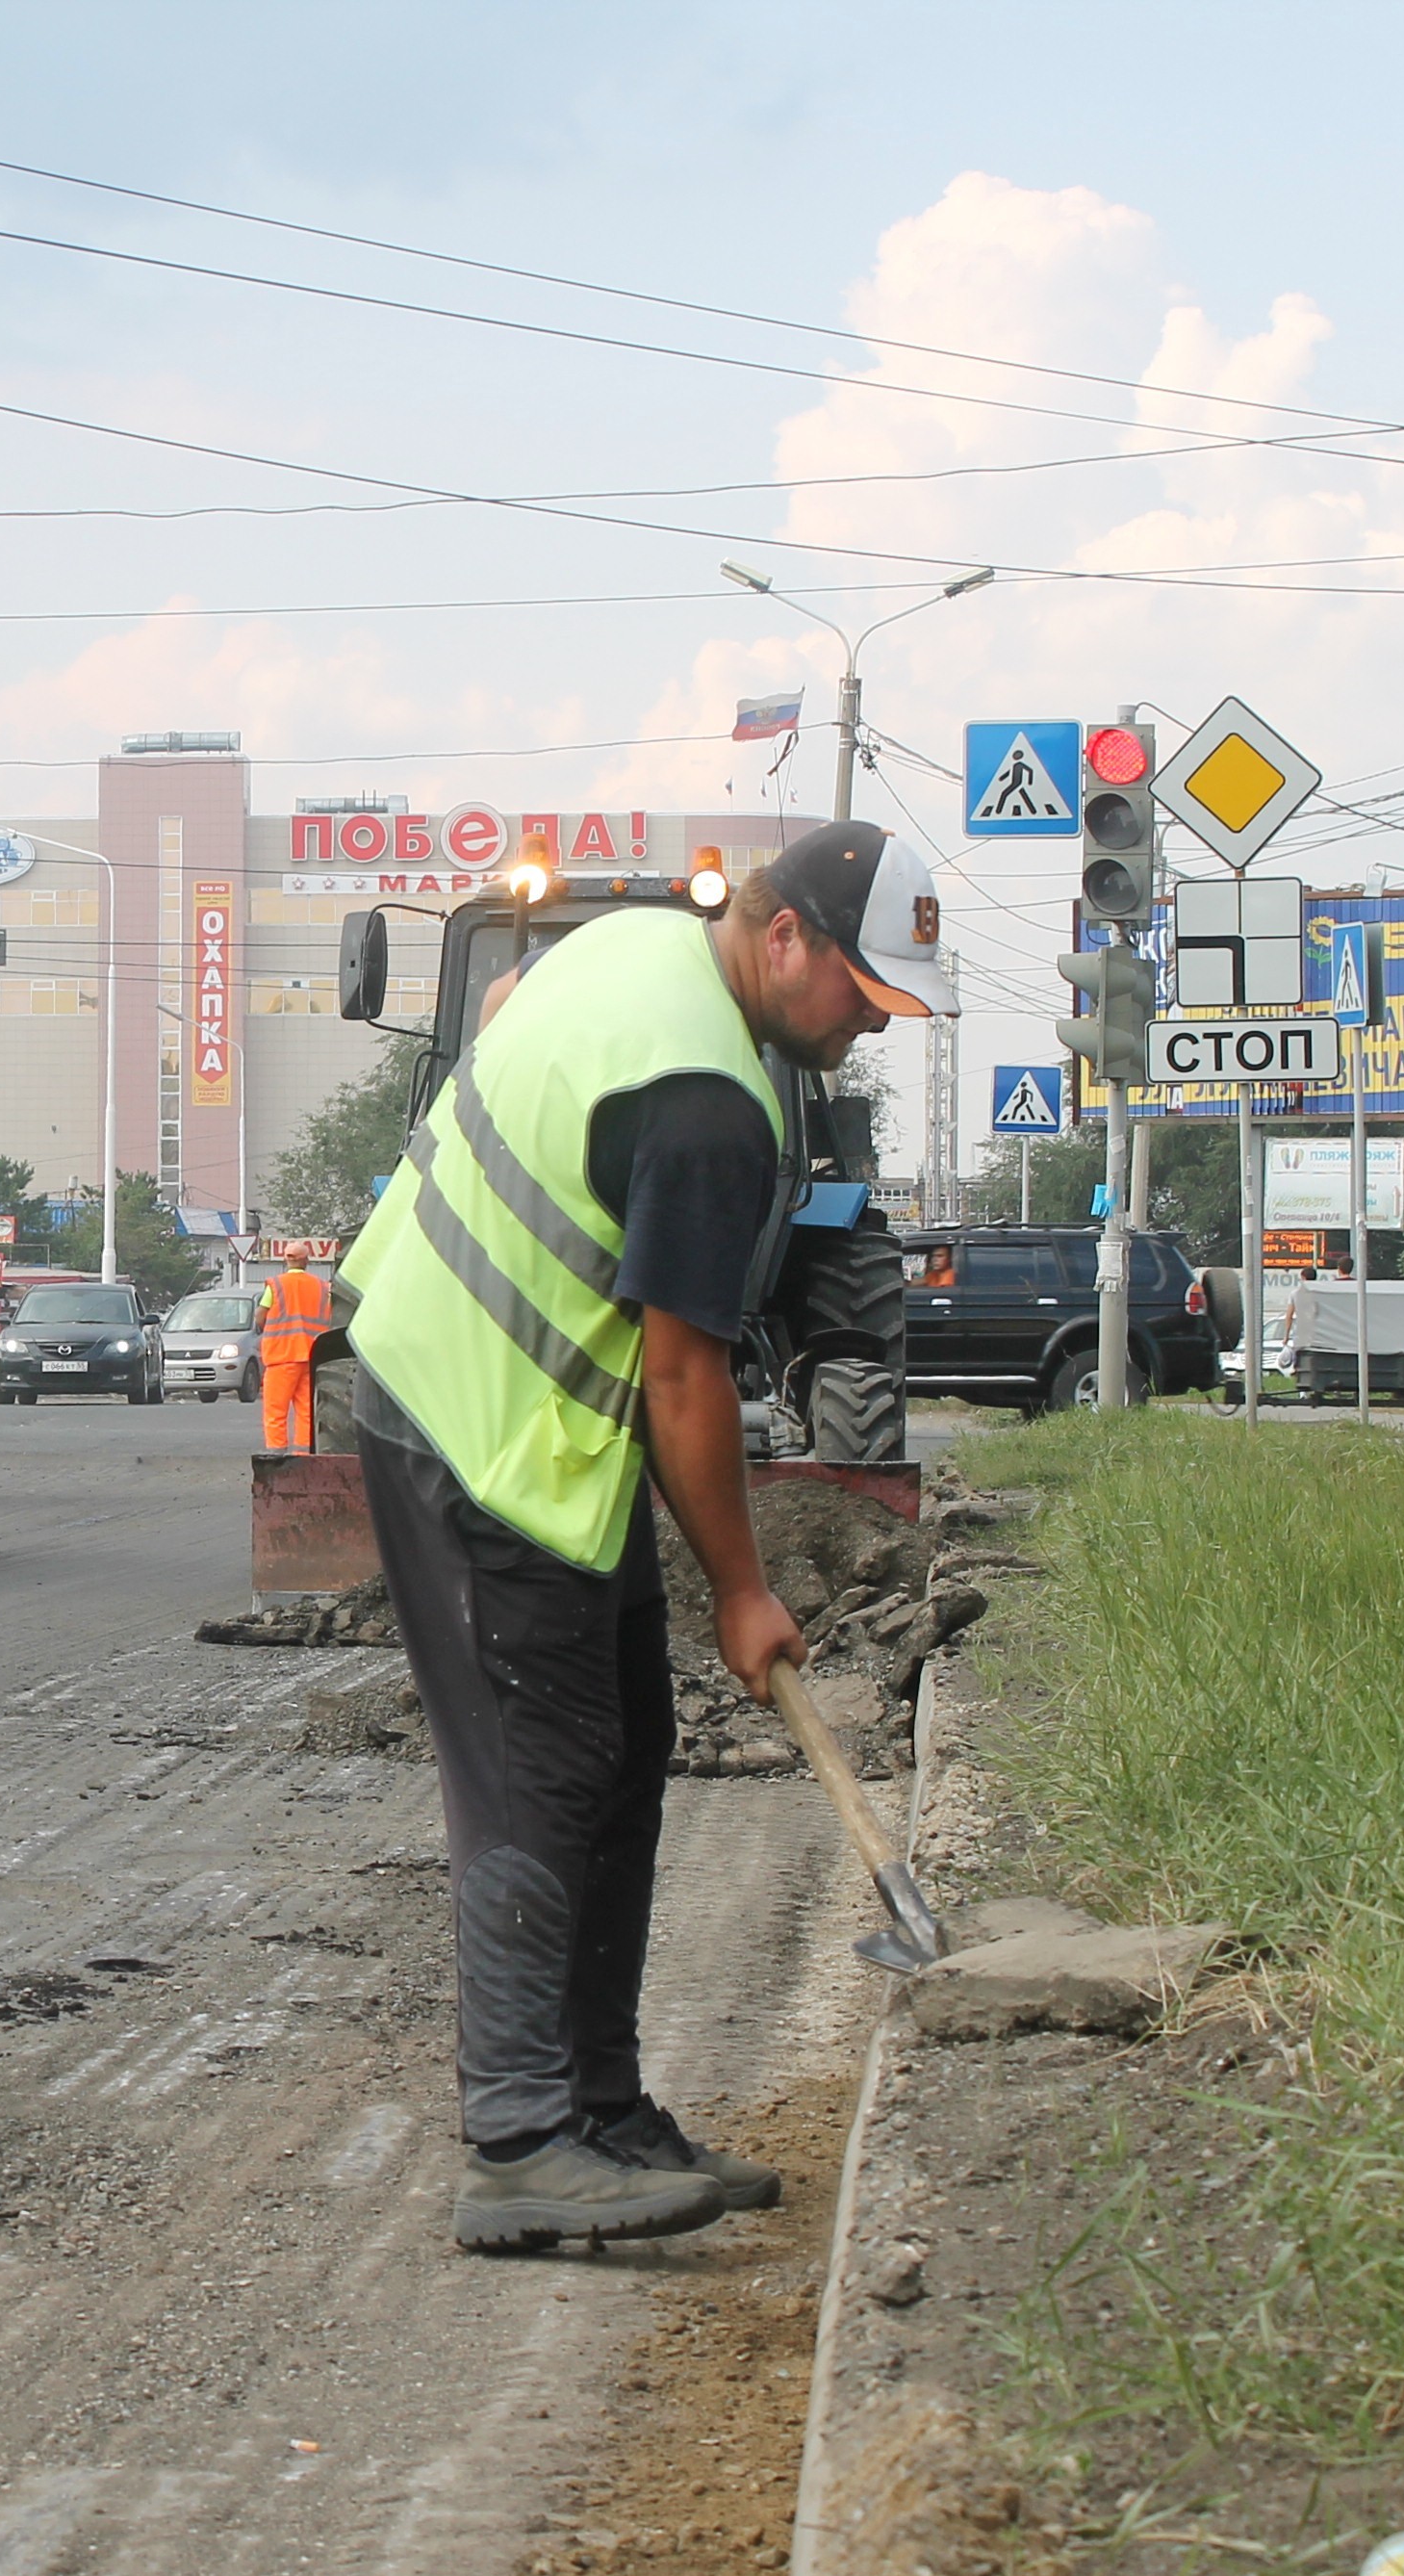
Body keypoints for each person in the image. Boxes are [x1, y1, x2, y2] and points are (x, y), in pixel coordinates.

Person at [341, 821, 953, 2253]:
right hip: (479, 1427)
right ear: (785, 934)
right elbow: (685, 1380)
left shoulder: (630, 949)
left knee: (620, 1741)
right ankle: (520, 2144)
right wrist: (744, 1590)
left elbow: (506, 1022)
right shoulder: (710, 1110)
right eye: (861, 986)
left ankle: (604, 2112)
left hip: (506, 1411)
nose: (868, 1021)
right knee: (540, 1775)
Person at [258, 1251, 331, 1451]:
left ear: (286, 1260)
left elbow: (260, 1315)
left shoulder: (276, 1285)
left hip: (281, 1356)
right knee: (306, 1410)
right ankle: (304, 1454)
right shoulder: (322, 1287)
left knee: (276, 1411)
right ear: (306, 1261)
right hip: (311, 1356)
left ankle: (276, 1454)